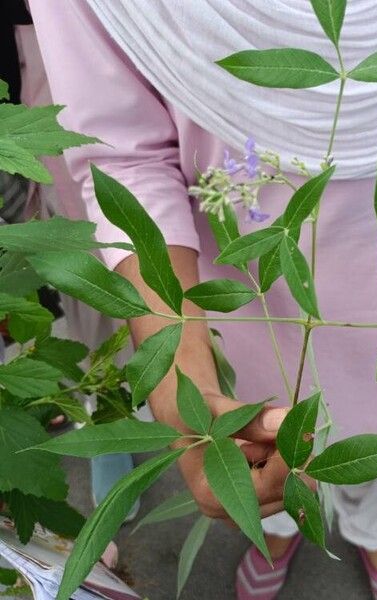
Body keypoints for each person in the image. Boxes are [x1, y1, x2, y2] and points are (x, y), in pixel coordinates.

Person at [29, 1, 377, 599]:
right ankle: (281, 529)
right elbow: (124, 155)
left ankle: (375, 533)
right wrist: (193, 402)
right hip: (246, 290)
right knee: (270, 447)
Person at [2, 1, 140, 522]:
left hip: (140, 32)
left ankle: (186, 384)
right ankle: (107, 418)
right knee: (80, 267)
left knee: (176, 243)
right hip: (30, 48)